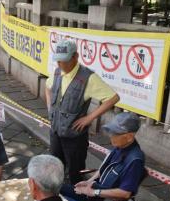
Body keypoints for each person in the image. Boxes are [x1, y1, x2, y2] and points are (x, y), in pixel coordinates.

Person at [45, 40, 120, 184]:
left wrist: (89, 118)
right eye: (58, 61)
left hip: (74, 137)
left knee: (75, 173)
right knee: (54, 168)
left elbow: (113, 98)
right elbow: (47, 86)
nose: (61, 65)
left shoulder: (88, 77)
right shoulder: (57, 72)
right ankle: (57, 199)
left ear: (75, 56)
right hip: (55, 132)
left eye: (64, 61)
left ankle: (77, 200)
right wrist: (50, 107)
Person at [60, 112, 146, 201]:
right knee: (56, 189)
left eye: (115, 133)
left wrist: (94, 192)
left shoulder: (135, 160)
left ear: (129, 137)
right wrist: (89, 182)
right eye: (111, 132)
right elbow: (103, 169)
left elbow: (125, 193)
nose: (111, 136)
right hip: (95, 193)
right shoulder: (119, 146)